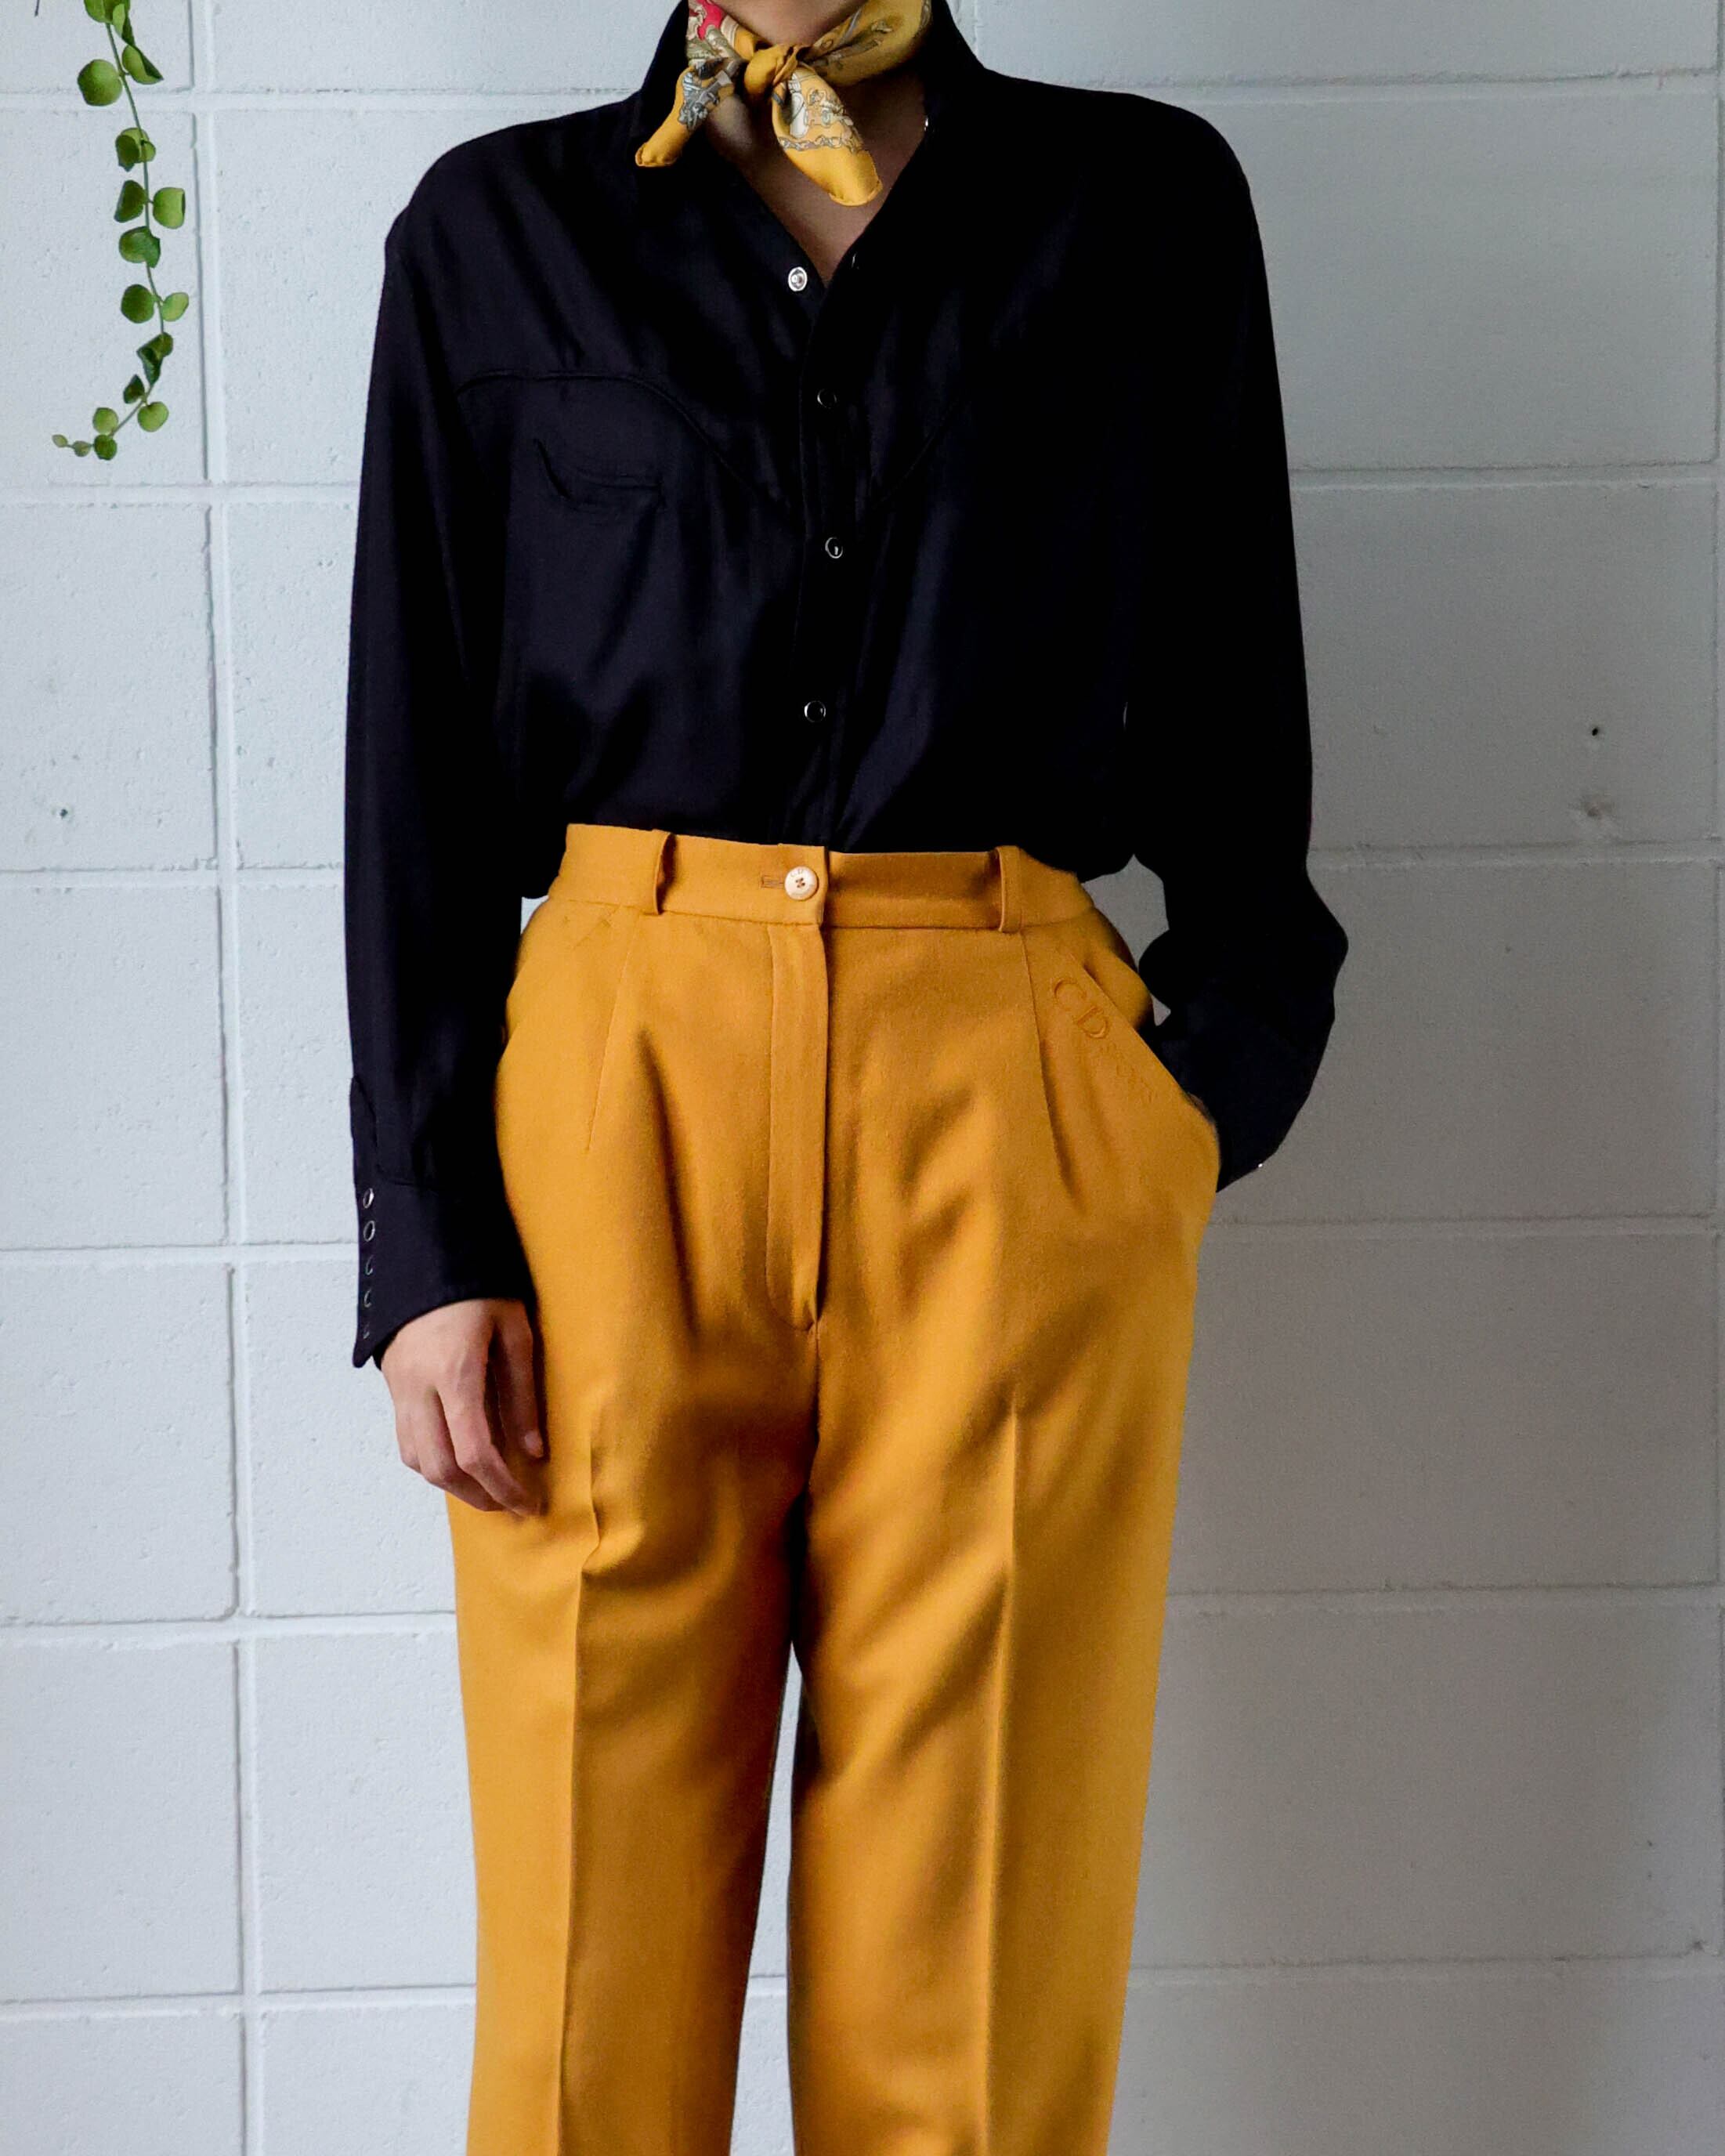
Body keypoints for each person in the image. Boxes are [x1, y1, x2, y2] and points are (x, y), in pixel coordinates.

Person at [341, 1, 1348, 2148]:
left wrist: (1173, 1116)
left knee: (972, 1984)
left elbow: (1238, 737)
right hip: (617, 1103)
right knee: (587, 1994)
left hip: (1008, 1099)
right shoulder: (496, 232)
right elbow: (411, 770)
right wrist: (426, 1240)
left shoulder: (1135, 208)